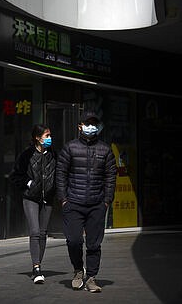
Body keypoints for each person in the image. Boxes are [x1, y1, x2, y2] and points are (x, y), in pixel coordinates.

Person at [56, 111, 117, 293]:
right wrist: (63, 200)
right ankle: (77, 270)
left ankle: (91, 277)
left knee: (94, 244)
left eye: (94, 124)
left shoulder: (105, 149)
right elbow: (61, 174)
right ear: (80, 126)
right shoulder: (70, 148)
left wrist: (106, 200)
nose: (91, 127)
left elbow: (111, 176)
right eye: (87, 124)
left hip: (97, 204)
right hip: (73, 202)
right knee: (74, 240)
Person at [9, 124, 56, 284]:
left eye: (50, 135)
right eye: (46, 136)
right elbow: (15, 175)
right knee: (35, 231)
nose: (49, 138)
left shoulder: (53, 154)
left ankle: (38, 264)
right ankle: (36, 268)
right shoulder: (26, 155)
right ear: (37, 137)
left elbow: (59, 174)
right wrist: (29, 183)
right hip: (31, 198)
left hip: (47, 199)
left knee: (43, 233)